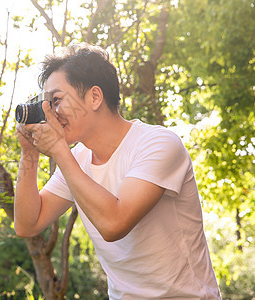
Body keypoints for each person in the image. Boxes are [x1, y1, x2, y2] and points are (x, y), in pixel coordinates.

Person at [14, 43, 221, 299]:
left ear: (95, 97)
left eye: (56, 101)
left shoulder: (158, 143)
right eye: (47, 104)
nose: (51, 114)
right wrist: (29, 154)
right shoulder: (77, 158)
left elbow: (114, 224)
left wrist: (58, 150)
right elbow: (27, 224)